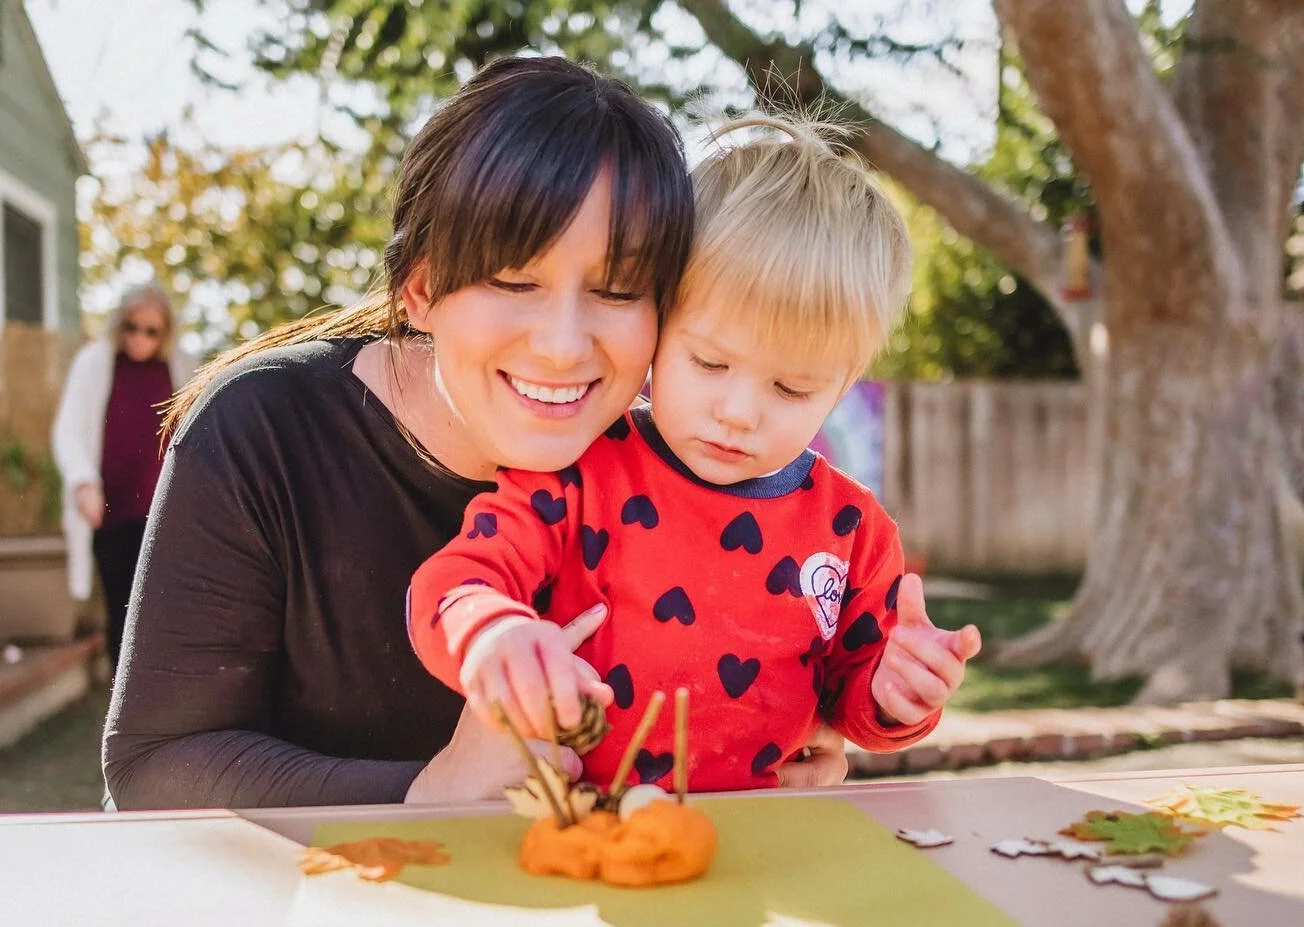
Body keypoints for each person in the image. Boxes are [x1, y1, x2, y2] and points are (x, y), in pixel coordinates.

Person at [102, 55, 816, 811]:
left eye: (616, 290)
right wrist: (430, 790)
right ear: (420, 287)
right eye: (514, 282)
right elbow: (157, 766)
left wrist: (779, 737)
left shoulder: (685, 473)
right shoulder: (262, 432)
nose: (564, 345)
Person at [408, 116, 983, 794]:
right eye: (709, 362)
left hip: (760, 847)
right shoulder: (582, 474)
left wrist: (898, 689)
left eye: (792, 387)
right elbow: (455, 584)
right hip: (583, 841)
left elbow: (854, 702)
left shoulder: (850, 532)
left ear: (843, 383)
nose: (739, 412)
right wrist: (493, 635)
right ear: (658, 324)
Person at [52, 285, 196, 669]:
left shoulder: (182, 366)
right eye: (132, 327)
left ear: (165, 332)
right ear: (119, 324)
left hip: (165, 512)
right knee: (123, 611)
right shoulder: (94, 362)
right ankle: (124, 714)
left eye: (152, 331)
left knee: (166, 611)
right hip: (112, 511)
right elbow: (66, 431)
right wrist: (83, 482)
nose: (140, 338)